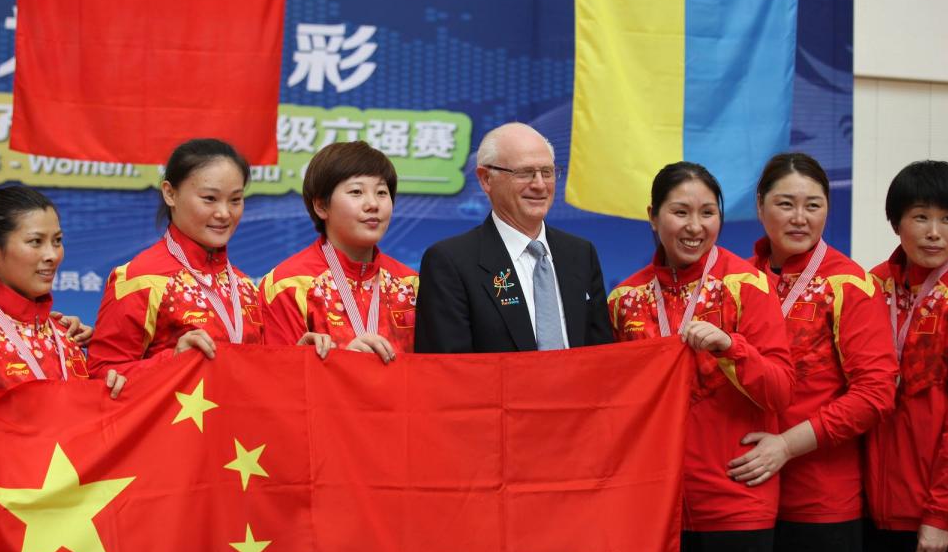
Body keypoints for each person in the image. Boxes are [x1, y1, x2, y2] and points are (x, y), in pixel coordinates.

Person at [606, 161, 793, 552]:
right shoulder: (625, 300)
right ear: (653, 216)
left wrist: (734, 348)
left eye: (708, 213)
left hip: (734, 500)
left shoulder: (748, 286)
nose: (695, 226)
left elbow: (780, 389)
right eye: (680, 212)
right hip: (652, 513)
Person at [743, 153, 897, 552]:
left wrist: (788, 445)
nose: (799, 217)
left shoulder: (849, 284)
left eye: (813, 205)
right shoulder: (737, 282)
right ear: (760, 207)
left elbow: (875, 393)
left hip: (822, 506)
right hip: (744, 500)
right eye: (785, 204)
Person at [859, 160, 948, 552]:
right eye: (920, 216)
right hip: (872, 513)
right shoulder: (870, 289)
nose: (933, 232)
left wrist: (940, 515)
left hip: (935, 518)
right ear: (897, 222)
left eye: (947, 219)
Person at [414, 122, 612, 353]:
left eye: (547, 172)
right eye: (525, 173)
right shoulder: (450, 262)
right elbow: (448, 370)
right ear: (486, 179)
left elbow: (602, 356)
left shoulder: (580, 254)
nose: (540, 185)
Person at [0, 186, 123, 396]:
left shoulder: (66, 336)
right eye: (36, 242)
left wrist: (105, 381)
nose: (52, 255)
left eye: (57, 241)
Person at [89, 138, 264, 374]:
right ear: (170, 194)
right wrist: (172, 361)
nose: (224, 213)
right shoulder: (139, 280)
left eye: (235, 200)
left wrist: (297, 356)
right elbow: (102, 374)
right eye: (209, 199)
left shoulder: (245, 288)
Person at [259, 141, 418, 362]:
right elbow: (278, 379)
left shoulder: (413, 286)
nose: (373, 204)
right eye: (356, 191)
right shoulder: (287, 285)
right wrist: (342, 363)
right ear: (321, 206)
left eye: (382, 192)